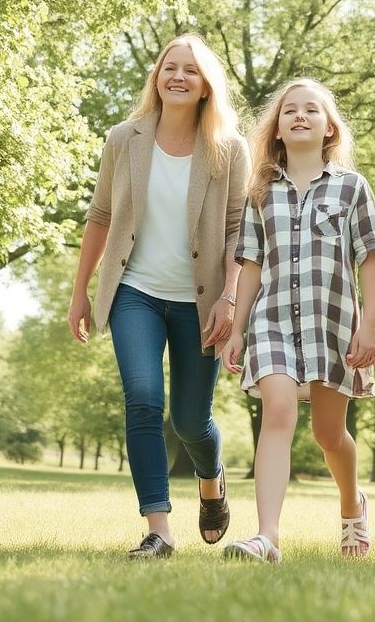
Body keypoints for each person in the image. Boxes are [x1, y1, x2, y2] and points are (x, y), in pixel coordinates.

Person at [68, 34, 249, 560]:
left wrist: (231, 298)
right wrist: (81, 291)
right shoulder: (125, 139)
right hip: (135, 293)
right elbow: (100, 215)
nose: (178, 76)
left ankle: (211, 482)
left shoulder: (229, 148)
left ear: (205, 85)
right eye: (169, 67)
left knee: (192, 420)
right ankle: (159, 531)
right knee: (144, 401)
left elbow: (239, 228)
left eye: (190, 71)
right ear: (156, 77)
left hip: (202, 302)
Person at [219, 78, 375, 563]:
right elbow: (250, 262)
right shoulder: (260, 192)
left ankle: (352, 504)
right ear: (276, 129)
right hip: (271, 321)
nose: (299, 116)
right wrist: (238, 327)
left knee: (329, 435)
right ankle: (267, 536)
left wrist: (370, 324)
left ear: (329, 126)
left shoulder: (352, 188)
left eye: (311, 110)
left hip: (333, 325)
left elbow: (371, 257)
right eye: (289, 110)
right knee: (278, 410)